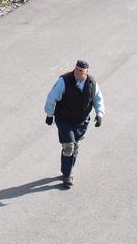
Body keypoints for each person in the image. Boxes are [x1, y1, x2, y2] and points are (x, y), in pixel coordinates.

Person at [45, 60, 105, 188]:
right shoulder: (64, 81)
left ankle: (66, 169)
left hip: (80, 122)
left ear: (86, 72)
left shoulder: (92, 83)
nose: (78, 72)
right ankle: (67, 175)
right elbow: (52, 97)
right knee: (69, 146)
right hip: (64, 119)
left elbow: (98, 98)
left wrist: (99, 114)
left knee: (75, 146)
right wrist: (49, 115)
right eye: (76, 69)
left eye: (81, 71)